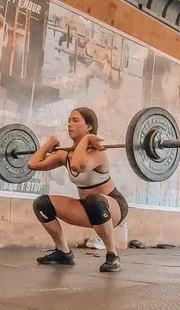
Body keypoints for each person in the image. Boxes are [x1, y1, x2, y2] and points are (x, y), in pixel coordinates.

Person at [27, 107, 128, 272]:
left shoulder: (98, 152)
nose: (69, 125)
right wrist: (50, 144)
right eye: (68, 120)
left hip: (113, 206)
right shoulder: (65, 154)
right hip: (87, 207)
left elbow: (78, 165)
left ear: (88, 126)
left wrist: (87, 140)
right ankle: (63, 252)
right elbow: (33, 164)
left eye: (75, 120)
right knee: (42, 204)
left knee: (94, 200)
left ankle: (112, 255)